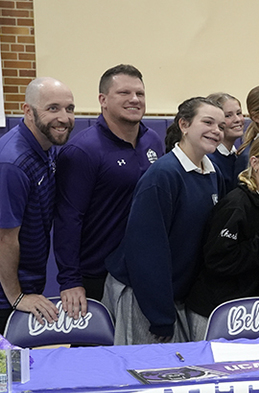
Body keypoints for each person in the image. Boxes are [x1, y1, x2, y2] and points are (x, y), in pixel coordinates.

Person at [103, 97, 226, 344]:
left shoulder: (214, 173)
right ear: (184, 125)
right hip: (143, 296)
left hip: (175, 296)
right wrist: (159, 314)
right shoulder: (163, 175)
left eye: (221, 126)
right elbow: (146, 250)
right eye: (208, 122)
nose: (216, 131)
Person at [54, 65, 162, 318]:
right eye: (124, 92)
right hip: (97, 275)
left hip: (141, 271)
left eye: (140, 93)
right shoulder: (82, 151)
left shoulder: (153, 141)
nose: (134, 99)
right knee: (93, 351)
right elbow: (68, 219)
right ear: (102, 100)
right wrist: (70, 280)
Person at [184, 134, 259, 338]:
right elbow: (218, 260)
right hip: (213, 313)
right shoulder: (237, 204)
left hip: (240, 311)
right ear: (255, 162)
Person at [0, 77, 75, 329]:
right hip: (5, 296)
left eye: (69, 108)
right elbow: (4, 238)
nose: (64, 117)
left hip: (29, 281)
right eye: (52, 108)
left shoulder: (48, 147)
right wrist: (16, 296)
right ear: (27, 111)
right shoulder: (13, 164)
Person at [205, 92, 244, 193]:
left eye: (239, 113)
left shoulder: (238, 155)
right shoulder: (210, 160)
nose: (237, 119)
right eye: (228, 115)